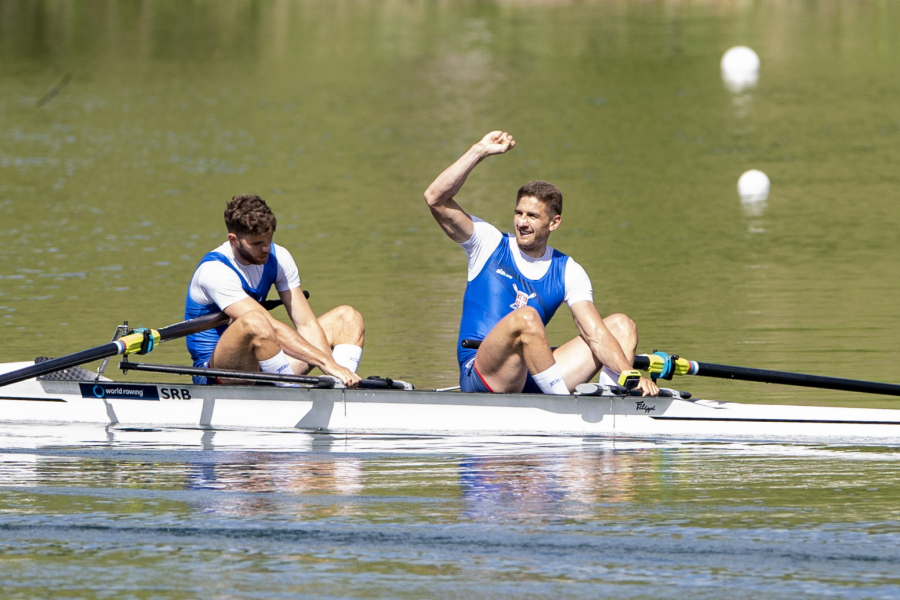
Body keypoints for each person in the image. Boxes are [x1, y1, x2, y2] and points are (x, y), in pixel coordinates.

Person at [423, 131, 658, 396]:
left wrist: (630, 374)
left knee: (621, 326)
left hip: (531, 374)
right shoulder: (488, 244)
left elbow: (595, 334)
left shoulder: (568, 270)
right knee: (526, 317)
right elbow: (435, 198)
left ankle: (615, 400)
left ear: (554, 222)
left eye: (532, 216)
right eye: (518, 213)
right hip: (482, 372)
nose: (522, 222)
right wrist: (480, 150)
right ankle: (559, 405)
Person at [185, 194, 363, 387]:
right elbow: (270, 327)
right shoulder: (215, 271)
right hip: (219, 371)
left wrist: (333, 367)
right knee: (255, 321)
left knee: (348, 318)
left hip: (267, 361)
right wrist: (325, 361)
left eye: (269, 240)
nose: (266, 249)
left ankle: (341, 388)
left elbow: (306, 325)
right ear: (233, 240)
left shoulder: (279, 257)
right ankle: (290, 392)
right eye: (256, 244)